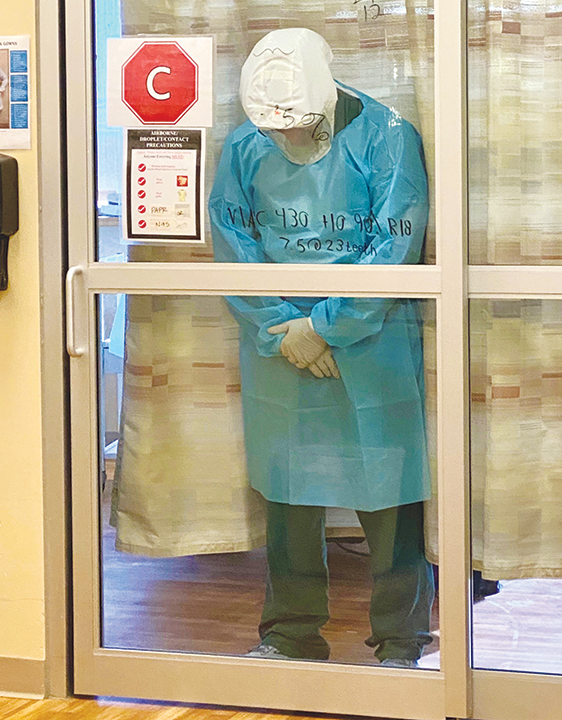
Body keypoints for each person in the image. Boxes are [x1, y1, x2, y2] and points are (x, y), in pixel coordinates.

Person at [209, 28, 434, 668]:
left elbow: (395, 243)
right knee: (287, 494)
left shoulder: (386, 136)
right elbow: (233, 242)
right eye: (275, 132)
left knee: (391, 494)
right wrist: (284, 325)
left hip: (371, 344)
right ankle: (290, 634)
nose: (286, 140)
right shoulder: (246, 144)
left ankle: (401, 642)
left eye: (298, 128)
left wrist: (325, 326)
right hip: (280, 346)